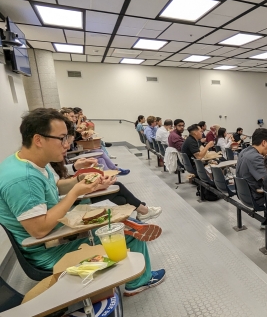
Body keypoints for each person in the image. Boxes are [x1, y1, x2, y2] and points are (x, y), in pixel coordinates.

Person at [0, 108, 165, 296]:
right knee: (129, 233)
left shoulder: (28, 163)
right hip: (48, 253)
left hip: (56, 235)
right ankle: (139, 282)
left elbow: (56, 187)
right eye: (61, 138)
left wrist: (81, 181)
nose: (66, 144)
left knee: (119, 222)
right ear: (38, 140)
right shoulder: (23, 179)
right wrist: (75, 193)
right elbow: (39, 230)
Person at [235, 128, 267, 206]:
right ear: (264, 143)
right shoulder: (255, 157)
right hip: (255, 198)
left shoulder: (244, 151)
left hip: (243, 194)